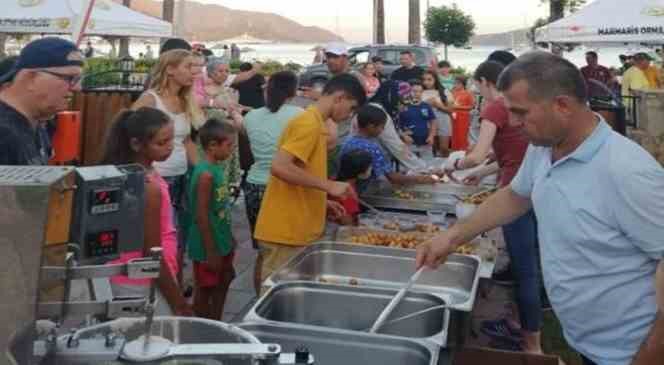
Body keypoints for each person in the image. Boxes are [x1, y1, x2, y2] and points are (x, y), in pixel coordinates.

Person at [417, 51, 664, 365]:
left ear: (562, 105)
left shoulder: (629, 172)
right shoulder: (543, 147)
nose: (515, 123)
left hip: (628, 351)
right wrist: (452, 237)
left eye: (521, 112)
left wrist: (649, 357)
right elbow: (515, 196)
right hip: (587, 341)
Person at [446, 60, 541, 354]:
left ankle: (531, 345)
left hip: (516, 194)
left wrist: (455, 164)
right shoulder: (525, 105)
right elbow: (509, 157)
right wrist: (481, 174)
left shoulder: (495, 108)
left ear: (487, 82)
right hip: (539, 190)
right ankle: (523, 324)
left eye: (477, 85)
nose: (477, 91)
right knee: (532, 266)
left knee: (525, 271)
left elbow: (477, 154)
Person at [254, 74, 367, 282]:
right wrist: (329, 185)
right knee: (277, 301)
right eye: (351, 108)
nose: (350, 115)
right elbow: (279, 166)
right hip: (286, 231)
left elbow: (300, 172)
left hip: (298, 228)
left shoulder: (315, 122)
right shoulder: (308, 123)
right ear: (339, 98)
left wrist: (321, 201)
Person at [102, 107, 192, 316]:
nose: (169, 148)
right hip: (141, 283)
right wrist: (178, 302)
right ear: (136, 144)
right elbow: (150, 253)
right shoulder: (147, 186)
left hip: (133, 279)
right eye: (161, 143)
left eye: (171, 140)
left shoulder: (139, 173)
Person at [243, 71, 303, 294]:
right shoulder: (300, 115)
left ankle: (259, 299)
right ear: (293, 91)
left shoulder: (251, 117)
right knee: (287, 249)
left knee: (263, 251)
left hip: (254, 186)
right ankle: (282, 297)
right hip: (283, 186)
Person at [0, 38, 83, 165]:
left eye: (78, 79)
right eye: (69, 78)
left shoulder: (35, 124)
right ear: (31, 78)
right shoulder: (4, 135)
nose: (77, 88)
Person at [187, 119, 238, 320]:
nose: (232, 150)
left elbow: (220, 209)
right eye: (229, 145)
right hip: (208, 245)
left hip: (221, 239)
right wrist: (211, 252)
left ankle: (217, 320)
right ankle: (202, 325)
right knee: (206, 288)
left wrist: (229, 238)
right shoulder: (206, 175)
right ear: (212, 146)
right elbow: (201, 215)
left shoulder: (217, 169)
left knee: (225, 279)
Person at [342, 104, 436, 186]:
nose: (383, 130)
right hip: (365, 192)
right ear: (371, 126)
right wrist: (420, 179)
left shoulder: (348, 142)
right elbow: (393, 178)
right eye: (382, 127)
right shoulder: (372, 148)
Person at [398, 81, 437, 159]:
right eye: (415, 91)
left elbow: (433, 121)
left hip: (425, 142)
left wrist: (431, 136)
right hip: (409, 143)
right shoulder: (402, 107)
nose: (418, 94)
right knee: (409, 168)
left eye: (420, 91)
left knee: (428, 167)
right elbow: (396, 124)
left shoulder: (426, 106)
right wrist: (403, 135)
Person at [333, 149, 373, 226]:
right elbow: (347, 221)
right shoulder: (349, 193)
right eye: (369, 167)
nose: (371, 168)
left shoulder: (335, 181)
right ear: (360, 173)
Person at [421, 70, 453, 157]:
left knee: (444, 148)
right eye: (424, 80)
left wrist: (437, 105)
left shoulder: (445, 91)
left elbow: (450, 110)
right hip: (428, 123)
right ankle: (434, 169)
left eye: (429, 79)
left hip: (443, 121)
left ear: (435, 79)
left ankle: (447, 167)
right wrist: (425, 104)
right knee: (432, 149)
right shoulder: (420, 92)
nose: (426, 82)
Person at [450, 76, 475, 151]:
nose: (455, 85)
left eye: (458, 83)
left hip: (463, 118)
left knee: (462, 135)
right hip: (453, 117)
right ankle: (454, 150)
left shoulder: (468, 93)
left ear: (463, 84)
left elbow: (471, 106)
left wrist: (457, 107)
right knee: (454, 134)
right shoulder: (452, 93)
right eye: (455, 83)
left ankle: (463, 150)